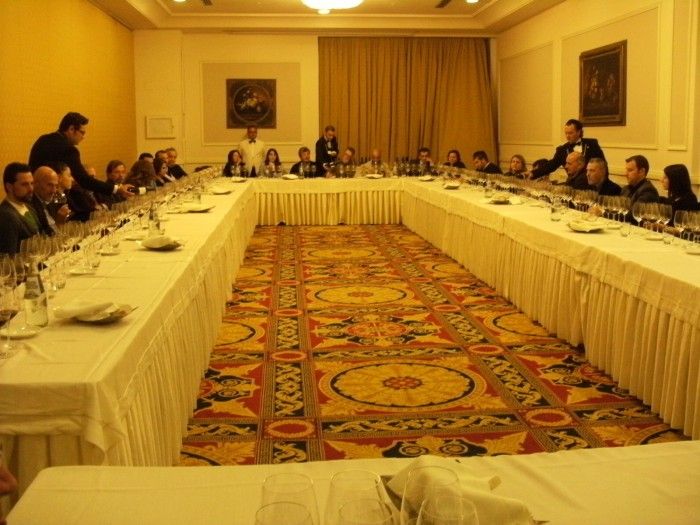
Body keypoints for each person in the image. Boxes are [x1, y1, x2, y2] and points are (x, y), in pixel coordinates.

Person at [28, 112, 133, 200]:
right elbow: (84, 180)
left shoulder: (43, 139)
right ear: (71, 129)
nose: (83, 137)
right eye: (82, 132)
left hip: (34, 193)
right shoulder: (69, 149)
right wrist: (117, 189)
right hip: (52, 196)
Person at [528, 119, 605, 179]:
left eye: (570, 133)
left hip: (593, 185)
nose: (567, 136)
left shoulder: (592, 144)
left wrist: (602, 183)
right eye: (566, 133)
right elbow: (551, 165)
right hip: (573, 185)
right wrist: (533, 173)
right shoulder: (562, 150)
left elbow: (602, 164)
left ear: (579, 132)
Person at [0, 162, 40, 255]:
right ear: (9, 187)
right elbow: (8, 258)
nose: (31, 189)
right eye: (24, 184)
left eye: (32, 183)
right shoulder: (6, 216)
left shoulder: (28, 206)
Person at [31, 166, 70, 235]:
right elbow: (42, 237)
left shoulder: (48, 201)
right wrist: (59, 222)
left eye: (56, 186)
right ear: (36, 184)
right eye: (50, 185)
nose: (54, 190)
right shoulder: (32, 205)